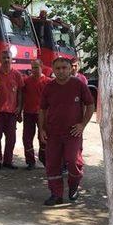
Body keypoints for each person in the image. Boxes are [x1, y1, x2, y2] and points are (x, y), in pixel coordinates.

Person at [39, 57, 95, 206]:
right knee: (52, 164)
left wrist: (82, 125)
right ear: (53, 69)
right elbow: (42, 110)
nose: (61, 71)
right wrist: (41, 129)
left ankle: (74, 186)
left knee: (73, 161)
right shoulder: (49, 87)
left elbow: (90, 105)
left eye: (64, 67)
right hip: (53, 133)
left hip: (73, 133)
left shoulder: (79, 85)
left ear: (70, 68)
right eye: (57, 68)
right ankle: (56, 194)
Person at [0, 50, 24, 169]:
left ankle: (8, 161)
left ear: (12, 60)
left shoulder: (17, 74)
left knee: (11, 138)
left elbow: (21, 92)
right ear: (0, 59)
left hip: (12, 112)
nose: (6, 60)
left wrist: (19, 107)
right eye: (4, 58)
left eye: (8, 58)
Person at [22, 59, 51, 170]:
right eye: (32, 67)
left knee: (43, 138)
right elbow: (22, 96)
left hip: (43, 114)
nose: (34, 70)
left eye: (36, 67)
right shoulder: (27, 81)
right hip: (28, 113)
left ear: (41, 66)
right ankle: (30, 161)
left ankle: (44, 159)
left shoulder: (48, 82)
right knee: (27, 138)